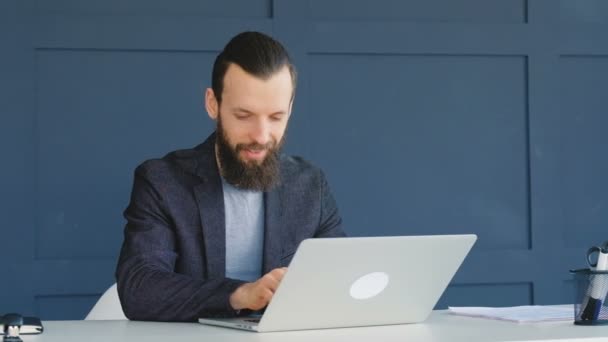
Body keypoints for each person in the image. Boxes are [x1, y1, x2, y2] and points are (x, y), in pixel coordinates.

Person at [115, 31, 346, 322]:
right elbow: (140, 289)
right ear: (213, 104)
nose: (261, 136)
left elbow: (340, 280)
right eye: (244, 115)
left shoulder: (311, 185)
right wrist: (240, 295)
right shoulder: (162, 181)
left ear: (290, 108)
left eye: (276, 117)